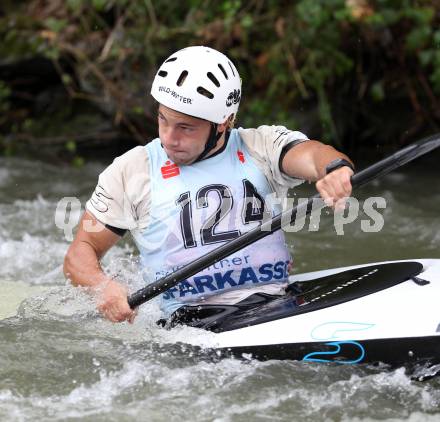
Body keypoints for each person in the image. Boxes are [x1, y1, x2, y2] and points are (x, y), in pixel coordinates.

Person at [64, 46, 354, 324]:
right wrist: (102, 286)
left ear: (223, 122)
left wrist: (333, 169)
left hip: (274, 303)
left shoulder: (259, 147)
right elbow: (81, 251)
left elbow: (314, 154)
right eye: (163, 120)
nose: (168, 138)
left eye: (185, 128)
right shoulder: (132, 170)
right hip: (191, 324)